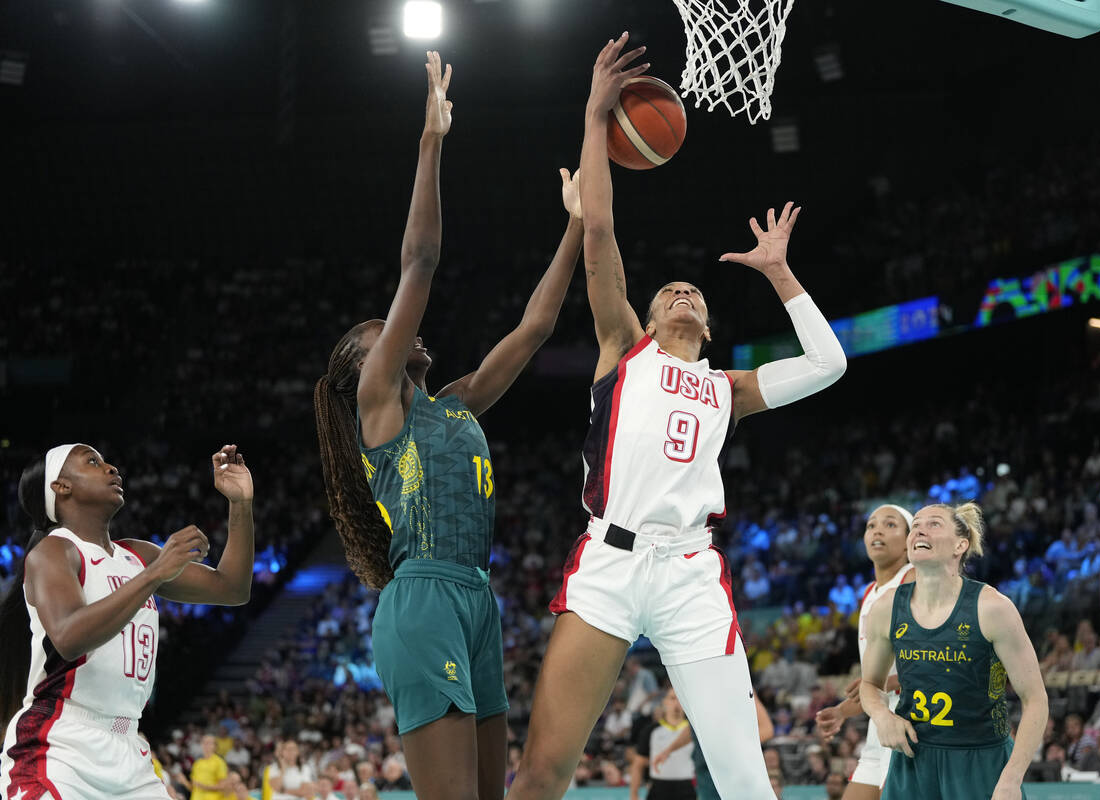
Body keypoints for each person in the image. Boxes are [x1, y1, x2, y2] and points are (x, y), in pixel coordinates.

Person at [506, 33, 847, 800]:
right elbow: (598, 232)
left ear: (710, 325)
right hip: (611, 566)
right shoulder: (625, 349)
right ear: (648, 318)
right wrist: (596, 117)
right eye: (668, 292)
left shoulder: (729, 386)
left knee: (744, 780)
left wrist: (784, 275)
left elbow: (829, 365)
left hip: (692, 572)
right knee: (541, 774)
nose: (682, 291)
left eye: (694, 291)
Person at [311, 52, 583, 800]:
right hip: (424, 600)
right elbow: (421, 262)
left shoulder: (454, 404)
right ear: (368, 363)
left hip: (475, 596)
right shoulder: (378, 403)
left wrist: (577, 227)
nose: (400, 333)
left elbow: (534, 329)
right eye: (382, 332)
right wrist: (431, 141)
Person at [0, 443, 254, 800]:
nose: (111, 467)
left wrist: (240, 504)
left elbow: (233, 588)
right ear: (61, 487)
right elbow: (69, 636)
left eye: (106, 460)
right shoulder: (55, 551)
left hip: (128, 748)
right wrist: (156, 574)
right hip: (58, 745)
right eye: (93, 462)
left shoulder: (138, 554)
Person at [859, 502, 1049, 800]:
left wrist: (1011, 778)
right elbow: (869, 685)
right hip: (913, 763)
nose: (920, 528)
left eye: (934, 523)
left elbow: (1035, 700)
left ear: (961, 544)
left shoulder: (993, 608)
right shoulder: (885, 608)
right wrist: (882, 716)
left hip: (980, 761)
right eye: (917, 524)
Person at [815, 505, 915, 800]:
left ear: (911, 542)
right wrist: (843, 712)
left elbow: (931, 662)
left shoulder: (913, 583)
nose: (878, 530)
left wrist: (881, 684)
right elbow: (876, 682)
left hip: (909, 726)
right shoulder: (870, 592)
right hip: (878, 730)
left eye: (890, 524)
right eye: (871, 525)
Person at [632, 687, 695, 800]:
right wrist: (634, 794)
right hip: (659, 788)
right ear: (665, 702)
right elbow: (638, 764)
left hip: (687, 787)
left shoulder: (694, 731)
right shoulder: (651, 731)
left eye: (680, 699)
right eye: (672, 698)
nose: (676, 703)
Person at [190, 734, 233, 800]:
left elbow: (223, 786)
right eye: (204, 742)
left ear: (215, 746)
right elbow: (194, 787)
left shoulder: (219, 762)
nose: (206, 745)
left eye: (209, 743)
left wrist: (204, 786)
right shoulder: (197, 763)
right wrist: (184, 781)